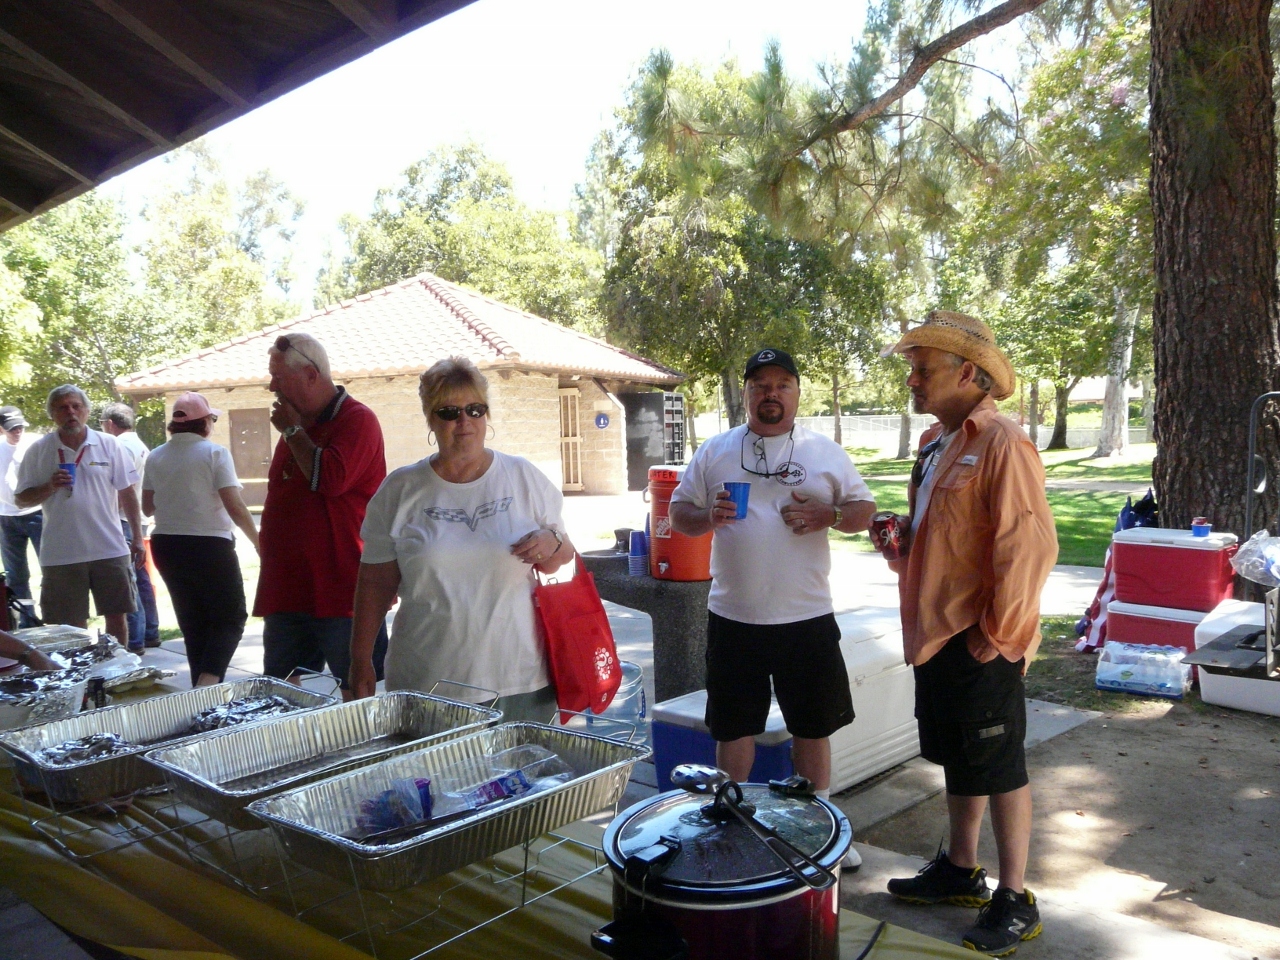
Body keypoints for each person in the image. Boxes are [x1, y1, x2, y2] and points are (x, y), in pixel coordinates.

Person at [875, 311, 1057, 957]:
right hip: (938, 631)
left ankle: (1015, 898)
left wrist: (999, 637)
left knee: (1000, 764)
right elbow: (946, 534)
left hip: (982, 638)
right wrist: (901, 532)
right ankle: (960, 869)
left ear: (968, 372)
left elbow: (1028, 546)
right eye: (913, 369)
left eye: (923, 370)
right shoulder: (935, 444)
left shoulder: (1003, 442)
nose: (912, 381)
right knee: (960, 755)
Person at [668, 347, 876, 869]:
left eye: (782, 384)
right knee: (733, 725)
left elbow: (864, 510)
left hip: (806, 616)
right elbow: (679, 514)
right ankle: (730, 817)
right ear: (745, 394)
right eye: (760, 384)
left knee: (813, 724)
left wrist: (830, 514)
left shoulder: (824, 451)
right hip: (734, 616)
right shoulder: (715, 450)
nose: (771, 393)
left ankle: (821, 829)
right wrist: (706, 517)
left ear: (796, 393)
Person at [349, 356, 575, 722]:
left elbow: (562, 556)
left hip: (520, 682)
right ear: (430, 419)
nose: (464, 421)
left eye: (475, 409)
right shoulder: (399, 491)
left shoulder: (523, 477)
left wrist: (552, 541)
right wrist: (360, 662)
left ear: (487, 415)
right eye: (449, 412)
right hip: (428, 684)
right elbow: (373, 584)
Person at [254, 332, 388, 697]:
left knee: (358, 687)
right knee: (279, 689)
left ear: (311, 375)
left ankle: (366, 752)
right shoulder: (296, 427)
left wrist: (293, 431)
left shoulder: (357, 420)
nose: (271, 387)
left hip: (342, 587)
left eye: (278, 377)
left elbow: (330, 479)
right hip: (289, 586)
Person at [143, 393, 260, 687]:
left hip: (166, 545)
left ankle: (199, 693)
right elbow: (234, 505)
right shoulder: (215, 453)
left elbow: (147, 507)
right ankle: (208, 683)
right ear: (204, 423)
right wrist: (259, 542)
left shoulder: (156, 455)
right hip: (209, 544)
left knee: (193, 623)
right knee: (231, 618)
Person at [14, 385, 144, 647]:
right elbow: (20, 499)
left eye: (76, 406)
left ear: (86, 411)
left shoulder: (109, 444)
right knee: (71, 626)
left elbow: (128, 493)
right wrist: (49, 486)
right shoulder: (39, 450)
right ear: (52, 414)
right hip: (62, 552)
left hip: (109, 547)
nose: (70, 412)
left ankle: (119, 675)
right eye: (63, 407)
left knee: (117, 618)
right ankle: (82, 682)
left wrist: (138, 538)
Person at [100, 402, 161, 650]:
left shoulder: (120, 446)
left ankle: (134, 639)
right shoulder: (139, 444)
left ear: (110, 424)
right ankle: (150, 631)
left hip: (124, 519)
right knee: (141, 577)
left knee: (129, 580)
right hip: (136, 519)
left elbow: (120, 488)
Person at [0, 406, 42, 604]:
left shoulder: (35, 444)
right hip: (6, 517)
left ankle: (55, 615)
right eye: (11, 428)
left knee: (50, 566)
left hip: (37, 512)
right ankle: (25, 620)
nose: (17, 432)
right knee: (15, 574)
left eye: (20, 427)